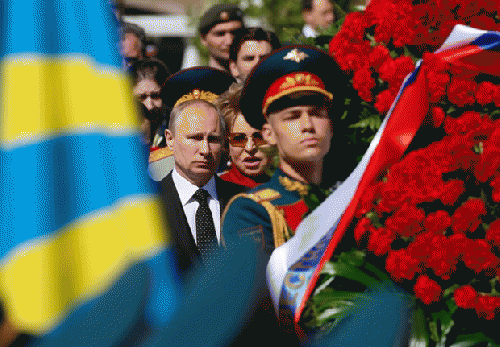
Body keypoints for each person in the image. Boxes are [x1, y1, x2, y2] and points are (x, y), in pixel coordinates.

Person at [222, 45, 344, 259]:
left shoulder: (350, 195)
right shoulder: (251, 211)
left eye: (317, 114)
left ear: (331, 126)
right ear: (268, 134)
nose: (308, 125)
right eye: (293, 116)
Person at [157, 67, 244, 281]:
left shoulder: (243, 201)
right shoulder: (149, 205)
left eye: (213, 139)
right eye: (195, 138)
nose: (205, 150)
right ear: (170, 139)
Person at [216, 82, 272, 188]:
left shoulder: (295, 188)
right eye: (238, 139)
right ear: (226, 145)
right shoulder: (215, 192)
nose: (250, 148)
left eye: (259, 137)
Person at [199, 4, 244, 72]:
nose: (230, 41)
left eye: (235, 33)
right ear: (203, 38)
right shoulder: (195, 81)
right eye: (220, 34)